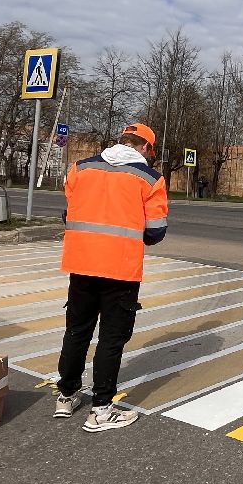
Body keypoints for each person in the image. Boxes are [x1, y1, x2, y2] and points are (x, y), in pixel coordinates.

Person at [54, 122, 169, 433]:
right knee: (111, 339)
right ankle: (102, 410)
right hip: (121, 269)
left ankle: (65, 395)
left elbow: (69, 213)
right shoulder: (150, 179)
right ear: (145, 148)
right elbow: (156, 231)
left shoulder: (81, 168)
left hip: (80, 264)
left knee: (77, 330)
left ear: (121, 140)